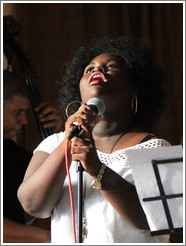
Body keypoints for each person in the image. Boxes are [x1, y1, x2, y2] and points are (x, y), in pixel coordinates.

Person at [17, 36, 172, 243]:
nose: (97, 71)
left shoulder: (155, 147)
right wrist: (69, 142)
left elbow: (157, 219)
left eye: (110, 67)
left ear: (133, 89)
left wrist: (96, 168)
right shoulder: (54, 144)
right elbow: (33, 205)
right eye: (89, 69)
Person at [3, 69, 64, 243]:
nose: (24, 120)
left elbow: (48, 178)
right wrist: (44, 237)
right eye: (18, 112)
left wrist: (58, 135)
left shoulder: (10, 151)